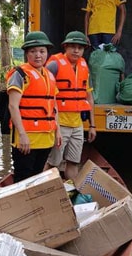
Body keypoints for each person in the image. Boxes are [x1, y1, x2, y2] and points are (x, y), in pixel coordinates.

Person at [6, 31, 62, 183]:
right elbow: (13, 106)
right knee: (23, 178)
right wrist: (22, 134)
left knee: (37, 176)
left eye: (42, 51)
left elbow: (53, 105)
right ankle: (21, 206)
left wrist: (58, 131)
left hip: (46, 138)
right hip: (27, 138)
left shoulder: (49, 75)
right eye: (33, 51)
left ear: (47, 53)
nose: (38, 55)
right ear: (26, 54)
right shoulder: (20, 74)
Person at [44, 31, 97, 180]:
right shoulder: (54, 64)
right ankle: (43, 192)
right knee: (53, 162)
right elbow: (46, 94)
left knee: (74, 162)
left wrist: (92, 125)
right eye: (72, 47)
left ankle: (71, 193)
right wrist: (55, 126)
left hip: (77, 125)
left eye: (80, 48)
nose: (76, 50)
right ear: (65, 47)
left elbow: (89, 97)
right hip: (59, 123)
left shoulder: (84, 67)